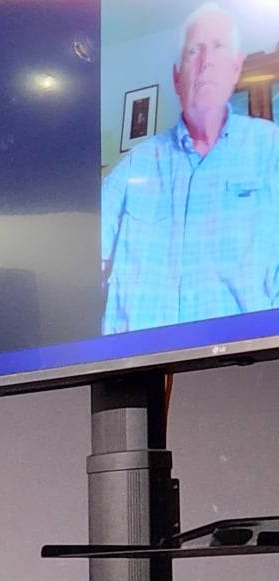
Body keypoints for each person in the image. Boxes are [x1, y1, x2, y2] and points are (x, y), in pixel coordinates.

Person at [101, 2, 279, 333]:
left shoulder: (272, 150)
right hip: (139, 370)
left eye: (218, 47)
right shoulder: (133, 169)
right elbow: (80, 273)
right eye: (193, 51)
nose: (206, 61)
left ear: (236, 68)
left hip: (254, 364)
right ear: (176, 76)